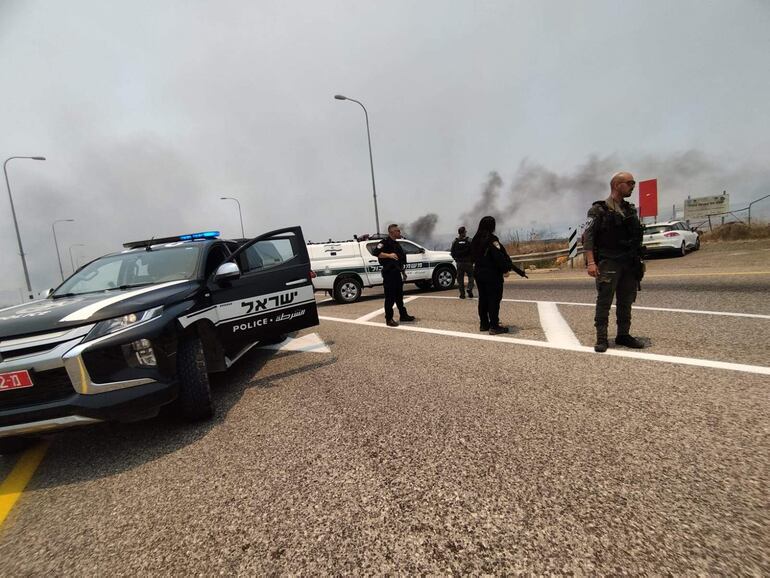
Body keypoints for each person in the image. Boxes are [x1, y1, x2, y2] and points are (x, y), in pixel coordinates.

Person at [583, 171, 646, 353]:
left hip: (629, 262)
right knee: (604, 301)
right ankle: (602, 338)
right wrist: (591, 263)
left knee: (626, 301)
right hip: (608, 261)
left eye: (633, 183)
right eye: (629, 183)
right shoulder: (598, 210)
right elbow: (589, 236)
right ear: (617, 185)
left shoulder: (630, 209)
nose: (633, 186)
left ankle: (623, 335)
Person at [471, 216, 513, 334]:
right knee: (494, 299)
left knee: (483, 299)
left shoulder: (475, 238)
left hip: (479, 273)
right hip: (492, 274)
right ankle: (494, 326)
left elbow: (472, 256)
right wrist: (505, 269)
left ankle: (484, 324)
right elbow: (498, 256)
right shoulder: (492, 239)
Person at [371, 224, 416, 327]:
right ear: (391, 232)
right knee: (390, 298)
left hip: (397, 273)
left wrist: (403, 272)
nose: (399, 232)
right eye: (397, 231)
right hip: (389, 274)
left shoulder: (397, 244)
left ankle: (403, 315)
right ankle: (389, 319)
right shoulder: (384, 242)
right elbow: (375, 252)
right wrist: (388, 255)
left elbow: (400, 260)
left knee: (399, 297)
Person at [450, 226, 474, 299]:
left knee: (460, 279)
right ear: (464, 232)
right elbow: (474, 251)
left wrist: (456, 259)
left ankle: (462, 294)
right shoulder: (469, 240)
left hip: (459, 263)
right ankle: (469, 288)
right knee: (471, 277)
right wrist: (473, 260)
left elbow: (452, 252)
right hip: (468, 262)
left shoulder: (455, 241)